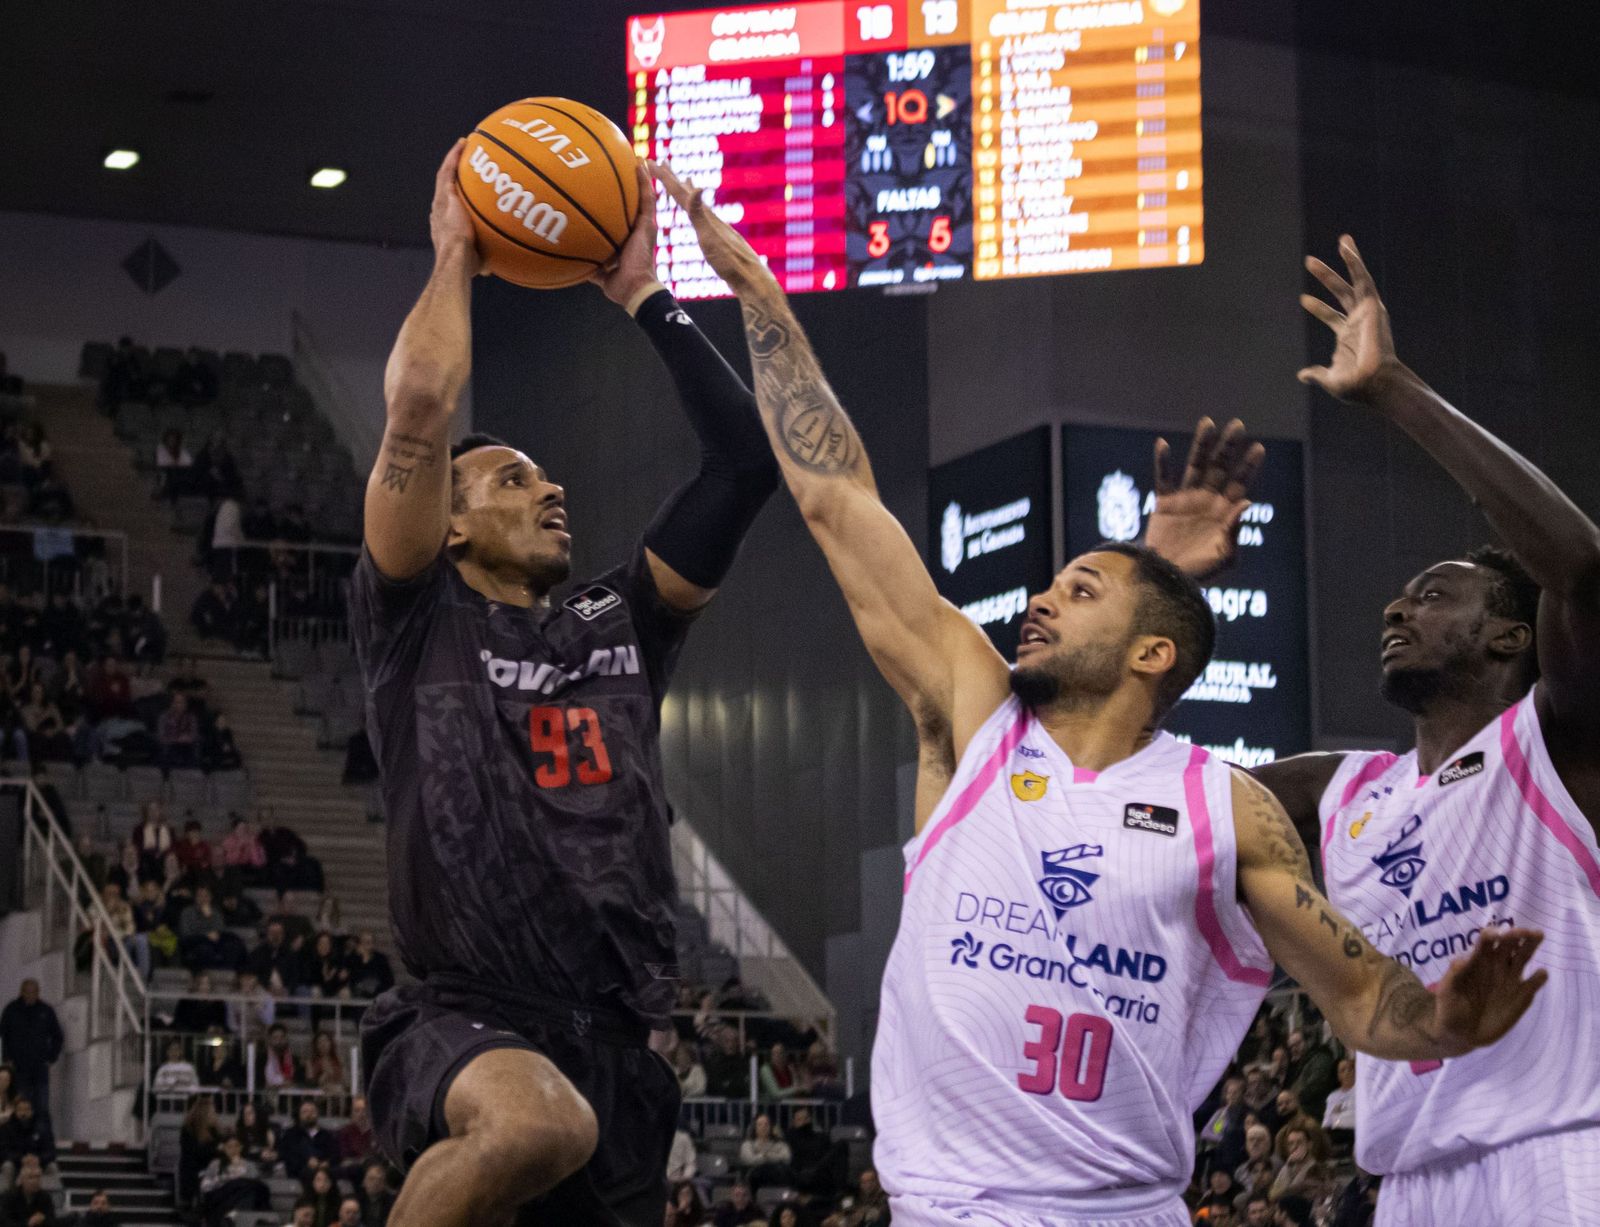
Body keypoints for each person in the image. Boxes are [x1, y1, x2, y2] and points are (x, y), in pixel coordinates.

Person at [659, 164, 1548, 1225]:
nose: (1037, 600)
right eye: (1048, 584)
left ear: (1151, 657)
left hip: (1132, 1208)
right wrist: (760, 295)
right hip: (957, 1207)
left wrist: (1447, 1022)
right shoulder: (973, 720)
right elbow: (835, 498)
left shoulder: (1226, 807)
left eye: (1076, 590)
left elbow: (1364, 997)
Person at [352, 150, 777, 1227]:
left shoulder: (616, 621)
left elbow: (742, 466)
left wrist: (640, 293)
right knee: (536, 1126)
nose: (549, 487)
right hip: (468, 1019)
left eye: (544, 475)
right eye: (511, 478)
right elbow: (418, 407)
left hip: (619, 1045)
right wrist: (456, 250)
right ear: (446, 523)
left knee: (572, 1125)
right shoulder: (418, 617)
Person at [1246, 236, 1599, 1224]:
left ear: (1506, 632)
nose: (1396, 612)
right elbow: (1168, 802)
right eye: (1396, 600)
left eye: (1431, 596)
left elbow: (1580, 572)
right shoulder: (1341, 792)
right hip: (1405, 1184)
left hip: (1556, 1159)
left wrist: (1395, 392)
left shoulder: (1558, 744)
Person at [0, 983, 61, 1120]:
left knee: (42, 1106)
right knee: (20, 1104)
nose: (31, 995)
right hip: (18, 1068)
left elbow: (57, 1036)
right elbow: (3, 1036)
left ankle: (42, 1138)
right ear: (22, 992)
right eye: (28, 992)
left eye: (34, 992)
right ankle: (19, 1137)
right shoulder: (11, 1011)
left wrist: (51, 1057)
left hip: (40, 1068)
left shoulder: (46, 1011)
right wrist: (6, 1060)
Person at [198, 1133, 271, 1226]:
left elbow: (256, 1185)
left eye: (236, 1146)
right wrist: (224, 1179)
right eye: (230, 1146)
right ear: (224, 1148)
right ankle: (231, 1215)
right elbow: (204, 1187)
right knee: (239, 1187)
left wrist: (239, 1173)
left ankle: (233, 1216)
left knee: (249, 1190)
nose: (233, 1150)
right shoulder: (215, 1164)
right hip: (222, 1199)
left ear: (241, 1147)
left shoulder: (249, 1165)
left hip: (244, 1199)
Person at [0, 1098, 55, 1191]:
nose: (23, 1113)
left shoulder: (42, 1128)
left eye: (26, 1110)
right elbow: (3, 1151)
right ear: (15, 1111)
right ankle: (4, 1199)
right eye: (20, 1110)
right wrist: (21, 1159)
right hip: (16, 1162)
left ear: (32, 1111)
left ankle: (52, 1200)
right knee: (7, 1166)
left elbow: (51, 1151)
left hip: (38, 1162)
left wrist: (38, 1159)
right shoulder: (7, 1128)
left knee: (52, 1167)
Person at [279, 1100, 339, 1180]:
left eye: (312, 1111)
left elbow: (335, 1154)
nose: (309, 1114)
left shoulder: (326, 1135)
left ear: (318, 1114)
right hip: (300, 1171)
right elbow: (287, 1154)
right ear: (299, 1114)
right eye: (305, 1112)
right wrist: (307, 1162)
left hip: (324, 1170)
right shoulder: (290, 1134)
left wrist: (327, 1163)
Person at [178, 1095, 219, 1208]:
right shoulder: (188, 1130)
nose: (214, 1113)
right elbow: (194, 1153)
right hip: (193, 1172)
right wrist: (216, 1150)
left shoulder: (214, 1130)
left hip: (207, 1170)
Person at [0, 1163, 54, 1227]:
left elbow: (52, 1221)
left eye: (38, 1177)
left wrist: (44, 1219)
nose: (35, 1181)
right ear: (21, 1180)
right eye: (30, 1177)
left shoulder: (45, 1197)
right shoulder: (9, 1197)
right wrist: (28, 1223)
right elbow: (5, 1223)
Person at [343, 932, 392, 1002]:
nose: (367, 944)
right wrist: (361, 959)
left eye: (370, 942)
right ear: (360, 943)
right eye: (365, 941)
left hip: (376, 999)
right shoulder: (352, 959)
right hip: (356, 999)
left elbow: (389, 981)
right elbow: (350, 978)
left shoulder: (381, 959)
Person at [1322, 1057, 1356, 1151]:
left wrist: (1337, 1114)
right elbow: (1327, 1122)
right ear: (1338, 1076)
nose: (1347, 1072)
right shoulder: (1333, 1096)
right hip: (1336, 1133)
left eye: (1350, 1069)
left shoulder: (1361, 1091)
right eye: (1343, 1070)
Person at [235, 1100, 279, 1170]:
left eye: (249, 1113)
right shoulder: (240, 1133)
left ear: (258, 1114)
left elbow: (278, 1150)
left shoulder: (270, 1130)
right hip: (248, 1166)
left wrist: (275, 1154)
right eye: (244, 1114)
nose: (246, 1116)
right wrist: (259, 1154)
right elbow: (242, 1153)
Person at [354, 1162, 395, 1227]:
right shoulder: (355, 1201)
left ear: (384, 1184)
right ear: (363, 1182)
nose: (375, 1183)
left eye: (380, 1180)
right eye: (371, 1179)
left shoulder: (392, 1202)